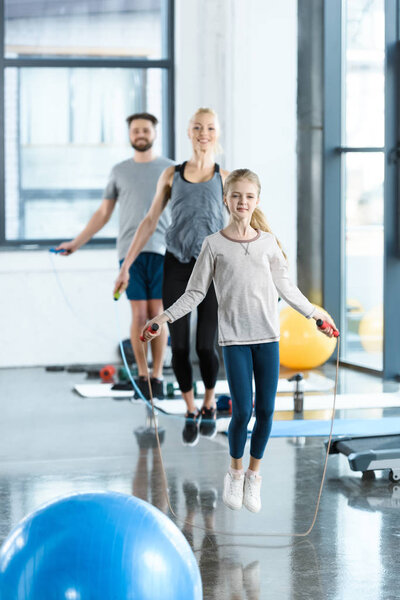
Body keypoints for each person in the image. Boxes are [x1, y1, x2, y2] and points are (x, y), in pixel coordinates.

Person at [140, 168, 337, 513]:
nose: (242, 202)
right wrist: (163, 317)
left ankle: (253, 476)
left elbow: (287, 288)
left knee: (265, 412)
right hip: (234, 340)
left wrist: (316, 315)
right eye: (236, 196)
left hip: (268, 338)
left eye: (249, 196)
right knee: (242, 410)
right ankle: (234, 472)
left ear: (256, 200)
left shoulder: (268, 243)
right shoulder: (213, 245)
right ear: (225, 199)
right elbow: (195, 293)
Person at [114, 108, 229, 445]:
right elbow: (149, 221)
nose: (203, 133)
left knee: (205, 346)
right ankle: (191, 409)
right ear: (189, 133)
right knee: (178, 346)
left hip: (211, 267)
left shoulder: (226, 177)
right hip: (176, 264)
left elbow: (247, 216)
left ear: (216, 133)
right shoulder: (171, 175)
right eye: (197, 127)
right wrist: (125, 266)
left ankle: (209, 404)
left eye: (210, 127)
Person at [56, 113, 174, 398]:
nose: (141, 134)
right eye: (135, 130)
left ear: (154, 133)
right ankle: (142, 376)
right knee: (138, 314)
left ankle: (157, 376)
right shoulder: (119, 171)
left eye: (145, 129)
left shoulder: (170, 169)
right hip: (129, 253)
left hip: (163, 250)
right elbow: (103, 213)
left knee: (157, 313)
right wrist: (76, 242)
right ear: (130, 135)